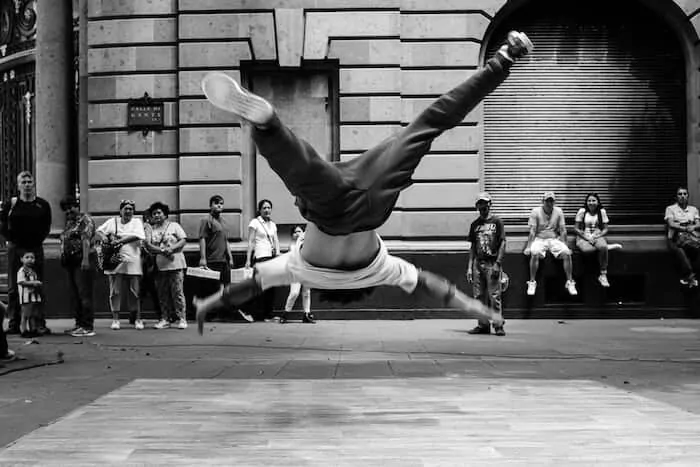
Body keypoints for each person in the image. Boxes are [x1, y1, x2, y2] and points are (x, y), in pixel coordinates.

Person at [194, 31, 534, 333]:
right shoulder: (298, 267)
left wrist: (475, 307)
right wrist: (211, 303)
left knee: (429, 123)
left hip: (372, 201)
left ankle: (504, 58)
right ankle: (269, 127)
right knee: (298, 165)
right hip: (327, 208)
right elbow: (253, 283)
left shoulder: (384, 269)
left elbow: (435, 288)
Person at [0, 171, 52, 335]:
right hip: (16, 249)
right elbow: (2, 224)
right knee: (14, 287)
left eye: (30, 181)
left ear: (33, 184)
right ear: (18, 185)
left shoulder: (42, 205)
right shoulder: (12, 204)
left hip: (35, 249)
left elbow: (47, 226)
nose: (27, 184)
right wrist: (11, 240)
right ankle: (14, 323)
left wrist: (35, 242)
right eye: (24, 181)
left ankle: (39, 323)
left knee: (37, 285)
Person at [198, 195, 253, 322]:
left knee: (226, 288)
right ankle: (211, 314)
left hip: (224, 261)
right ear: (210, 205)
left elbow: (226, 240)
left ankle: (223, 313)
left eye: (221, 204)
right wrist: (203, 258)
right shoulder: (206, 220)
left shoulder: (223, 221)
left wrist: (231, 257)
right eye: (216, 203)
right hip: (212, 259)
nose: (219, 206)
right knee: (214, 289)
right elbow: (202, 239)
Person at [96, 200, 146, 330]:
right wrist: (106, 238)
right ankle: (115, 319)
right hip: (115, 260)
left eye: (131, 209)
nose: (128, 211)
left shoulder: (137, 222)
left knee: (135, 292)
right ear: (120, 210)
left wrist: (120, 240)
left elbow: (138, 235)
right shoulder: (112, 222)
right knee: (115, 291)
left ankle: (138, 319)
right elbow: (100, 231)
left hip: (133, 260)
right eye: (126, 208)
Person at [466, 192, 506, 336]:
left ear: (490, 204)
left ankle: (498, 325)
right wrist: (470, 267)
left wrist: (498, 263)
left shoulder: (497, 222)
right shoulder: (475, 225)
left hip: (492, 262)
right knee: (478, 296)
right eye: (480, 203)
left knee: (494, 296)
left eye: (485, 203)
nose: (483, 206)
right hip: (478, 263)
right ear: (477, 206)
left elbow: (502, 243)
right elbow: (472, 247)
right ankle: (483, 324)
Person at [524, 192, 577, 297]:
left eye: (551, 201)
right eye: (547, 200)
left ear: (554, 202)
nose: (549, 203)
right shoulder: (535, 211)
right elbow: (533, 231)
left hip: (553, 239)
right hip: (539, 239)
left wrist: (565, 245)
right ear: (542, 201)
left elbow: (563, 230)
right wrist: (528, 247)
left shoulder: (558, 211)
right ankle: (532, 282)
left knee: (567, 253)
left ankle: (570, 282)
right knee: (534, 253)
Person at [145, 202, 188, 330]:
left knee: (177, 292)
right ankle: (165, 318)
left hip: (176, 264)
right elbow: (148, 246)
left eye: (159, 213)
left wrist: (172, 248)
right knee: (162, 293)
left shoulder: (174, 226)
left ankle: (182, 318)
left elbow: (183, 240)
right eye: (154, 214)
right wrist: (163, 251)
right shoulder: (152, 230)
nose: (157, 215)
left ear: (165, 214)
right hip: (160, 265)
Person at [59, 195, 96, 337]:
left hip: (82, 260)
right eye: (66, 209)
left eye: (70, 207)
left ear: (77, 206)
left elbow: (85, 239)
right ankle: (79, 324)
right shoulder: (69, 223)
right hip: (71, 263)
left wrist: (85, 259)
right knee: (76, 295)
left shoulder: (85, 220)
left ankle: (87, 326)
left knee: (84, 294)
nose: (68, 211)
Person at [573, 193, 622, 288]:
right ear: (586, 202)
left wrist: (597, 236)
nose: (591, 203)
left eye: (594, 200)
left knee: (602, 246)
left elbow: (605, 229)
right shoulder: (582, 211)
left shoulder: (601, 212)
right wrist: (586, 237)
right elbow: (576, 228)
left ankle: (603, 274)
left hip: (596, 235)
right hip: (583, 236)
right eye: (589, 201)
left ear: (598, 202)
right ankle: (604, 249)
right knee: (587, 250)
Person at [245, 199, 280, 321]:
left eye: (269, 207)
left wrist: (278, 254)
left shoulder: (273, 224)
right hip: (260, 257)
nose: (267, 210)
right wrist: (248, 259)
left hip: (271, 258)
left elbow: (276, 241)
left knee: (271, 288)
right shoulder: (255, 222)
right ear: (259, 210)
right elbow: (251, 241)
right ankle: (251, 312)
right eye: (264, 208)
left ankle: (268, 314)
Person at [665, 186, 700, 287]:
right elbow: (671, 224)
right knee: (680, 250)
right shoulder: (670, 209)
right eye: (680, 194)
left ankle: (688, 277)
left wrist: (692, 227)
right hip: (675, 238)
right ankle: (690, 276)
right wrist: (684, 228)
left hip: (691, 237)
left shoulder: (693, 210)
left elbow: (698, 223)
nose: (682, 196)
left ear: (688, 196)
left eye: (685, 194)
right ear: (676, 197)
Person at [281, 225, 314, 324]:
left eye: (299, 231)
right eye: (295, 232)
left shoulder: (307, 243)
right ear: (292, 235)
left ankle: (306, 314)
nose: (297, 234)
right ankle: (286, 313)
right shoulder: (292, 246)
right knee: (294, 293)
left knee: (306, 293)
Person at [17, 251, 42, 337]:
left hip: (34, 296)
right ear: (21, 259)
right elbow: (21, 282)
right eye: (27, 257)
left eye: (32, 257)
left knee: (33, 314)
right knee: (25, 314)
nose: (30, 259)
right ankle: (24, 330)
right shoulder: (22, 271)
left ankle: (33, 329)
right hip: (26, 297)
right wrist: (33, 283)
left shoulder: (33, 271)